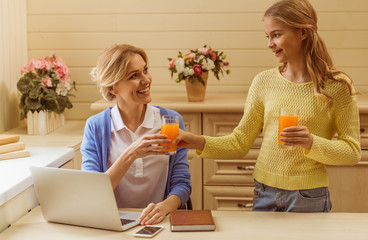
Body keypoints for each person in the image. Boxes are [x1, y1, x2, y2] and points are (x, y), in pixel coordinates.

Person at [173, 0, 361, 212]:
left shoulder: (337, 85)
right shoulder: (263, 82)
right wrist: (195, 141)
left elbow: (352, 151)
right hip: (264, 191)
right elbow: (240, 142)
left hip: (309, 196)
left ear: (303, 32)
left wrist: (311, 142)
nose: (269, 43)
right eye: (268, 36)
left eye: (276, 35)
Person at [81, 44, 191, 225]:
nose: (146, 80)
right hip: (112, 223)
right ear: (112, 87)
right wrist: (131, 153)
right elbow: (92, 191)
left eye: (145, 70)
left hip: (158, 222)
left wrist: (164, 207)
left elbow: (182, 184)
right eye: (134, 76)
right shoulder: (96, 127)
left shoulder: (170, 120)